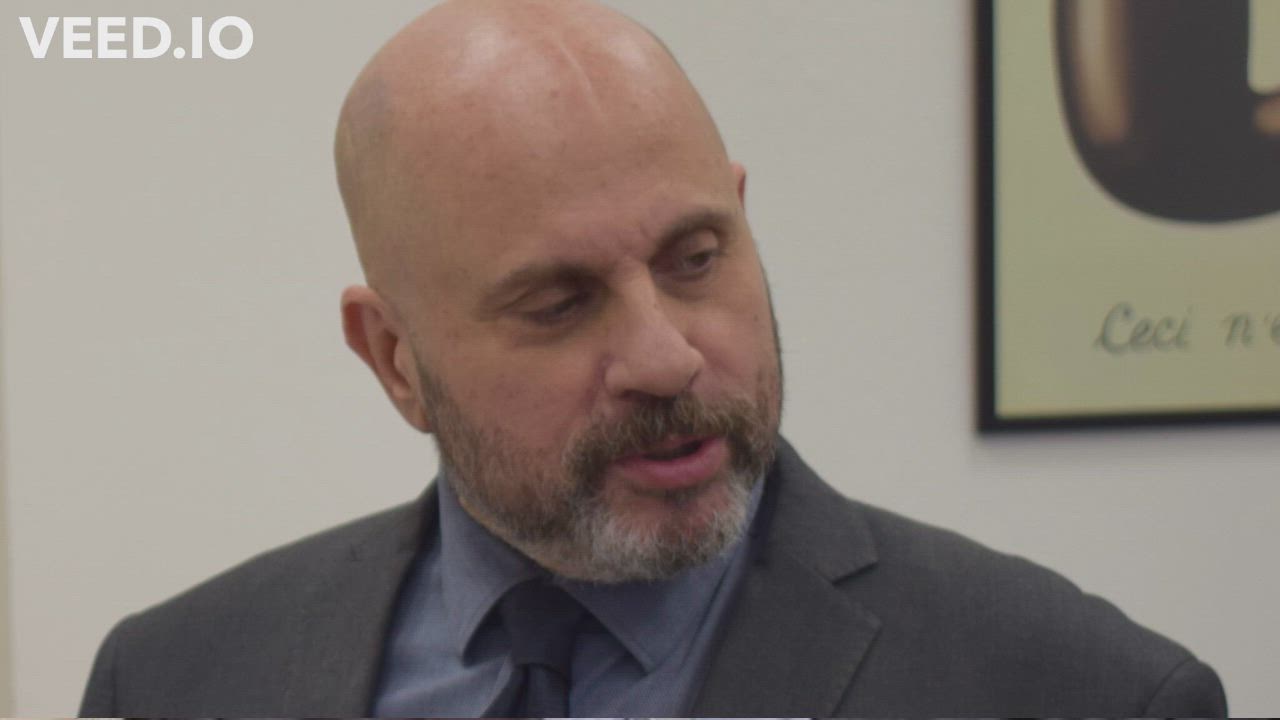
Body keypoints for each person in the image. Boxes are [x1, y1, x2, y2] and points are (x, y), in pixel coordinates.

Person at [78, 0, 1227, 716]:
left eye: (694, 259)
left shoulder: (1081, 692)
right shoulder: (174, 680)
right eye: (557, 303)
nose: (665, 358)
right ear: (392, 359)